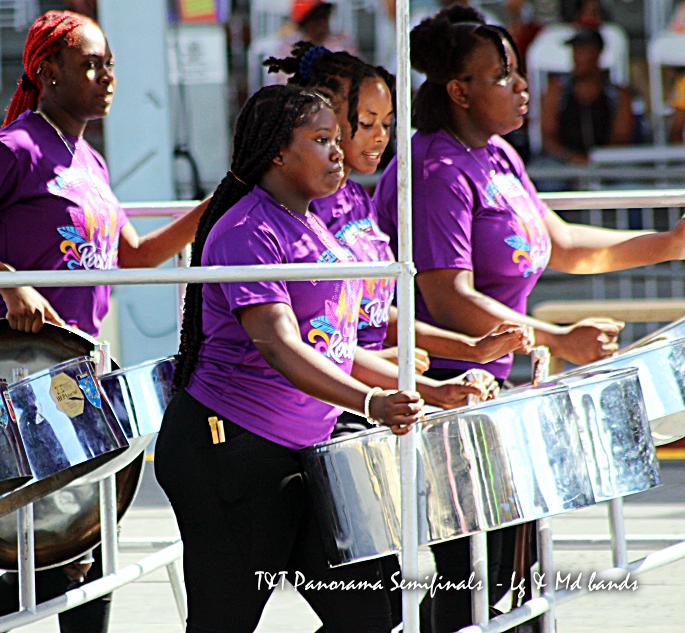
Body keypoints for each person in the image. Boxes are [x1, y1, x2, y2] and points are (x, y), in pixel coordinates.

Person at [374, 7, 685, 632]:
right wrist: (558, 338)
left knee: (518, 585)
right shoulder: (434, 172)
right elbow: (448, 296)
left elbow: (564, 244)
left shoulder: (496, 157)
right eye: (502, 75)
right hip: (443, 399)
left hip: (499, 394)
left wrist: (670, 242)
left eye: (516, 72)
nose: (520, 86)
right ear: (458, 91)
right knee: (465, 589)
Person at [0, 10, 207, 631]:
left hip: (76, 376)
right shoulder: (12, 147)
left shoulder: (89, 161)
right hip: (9, 375)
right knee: (15, 552)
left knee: (81, 550)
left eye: (110, 65)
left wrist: (216, 205)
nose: (105, 77)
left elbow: (134, 255)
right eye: (90, 64)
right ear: (47, 73)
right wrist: (8, 280)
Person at [265, 42, 529, 629]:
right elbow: (329, 343)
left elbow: (372, 311)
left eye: (388, 123)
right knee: (371, 606)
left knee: (481, 561)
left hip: (375, 396)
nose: (379, 138)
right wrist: (427, 388)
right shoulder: (304, 213)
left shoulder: (356, 195)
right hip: (333, 415)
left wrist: (467, 350)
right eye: (364, 124)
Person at [156, 83, 424, 633]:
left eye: (336, 139)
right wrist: (372, 403)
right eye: (322, 139)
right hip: (229, 454)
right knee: (223, 623)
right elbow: (278, 345)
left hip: (302, 453)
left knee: (373, 613)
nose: (338, 152)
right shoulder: (246, 229)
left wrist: (431, 390)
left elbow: (330, 345)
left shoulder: (311, 219)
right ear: (278, 151)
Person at [539, 27, 634, 165]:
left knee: (628, 183)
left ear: (597, 53)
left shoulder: (619, 94)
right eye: (575, 50)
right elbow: (548, 136)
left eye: (583, 50)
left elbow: (621, 138)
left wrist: (597, 162)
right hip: (564, 162)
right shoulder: (556, 90)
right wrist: (571, 158)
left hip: (607, 163)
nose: (576, 56)